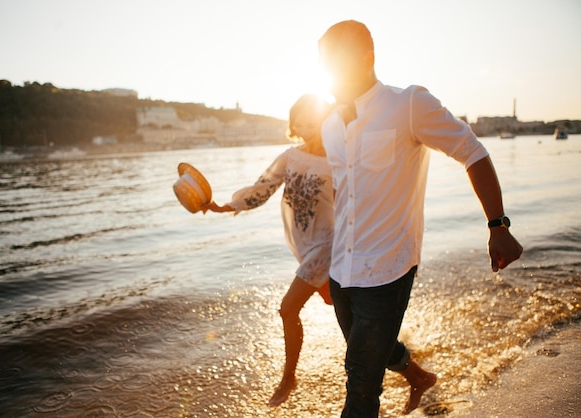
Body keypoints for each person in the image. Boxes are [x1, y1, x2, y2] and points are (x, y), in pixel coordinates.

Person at [317, 20, 524, 417]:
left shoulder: (408, 104)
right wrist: (326, 267)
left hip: (388, 268)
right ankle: (419, 377)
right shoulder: (329, 125)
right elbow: (344, 194)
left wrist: (498, 225)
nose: (329, 77)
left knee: (360, 384)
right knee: (369, 352)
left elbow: (472, 151)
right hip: (342, 271)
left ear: (368, 59)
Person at [206, 94, 335, 407]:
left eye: (309, 120)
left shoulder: (341, 157)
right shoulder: (290, 156)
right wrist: (227, 206)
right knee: (346, 313)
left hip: (330, 244)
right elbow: (263, 188)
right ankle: (409, 366)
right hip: (304, 246)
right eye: (298, 123)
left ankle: (288, 377)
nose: (304, 128)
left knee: (288, 309)